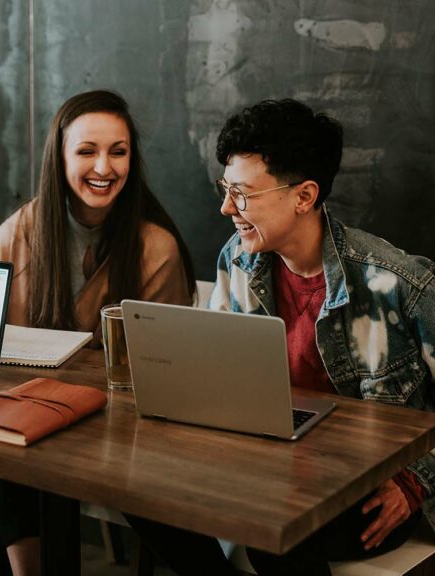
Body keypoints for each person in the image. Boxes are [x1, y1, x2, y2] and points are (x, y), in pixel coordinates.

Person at [128, 98, 435, 576]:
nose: (227, 207)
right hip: (266, 468)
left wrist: (416, 481)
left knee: (275, 524)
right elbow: (215, 380)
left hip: (363, 489)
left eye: (243, 194)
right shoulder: (239, 259)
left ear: (304, 196)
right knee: (138, 488)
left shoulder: (398, 283)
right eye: (225, 189)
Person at [0, 90, 196, 575]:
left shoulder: (154, 247)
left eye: (118, 152)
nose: (104, 167)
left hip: (116, 430)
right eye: (87, 151)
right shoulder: (32, 223)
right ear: (60, 157)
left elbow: (163, 370)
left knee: (8, 449)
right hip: (34, 414)